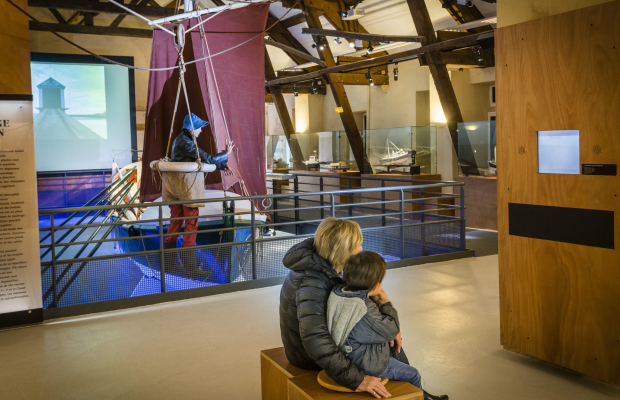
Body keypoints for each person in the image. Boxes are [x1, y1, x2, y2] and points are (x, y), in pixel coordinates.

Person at [279, 217, 392, 398]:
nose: (361, 250)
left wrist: (385, 309)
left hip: (307, 347)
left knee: (385, 335)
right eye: (357, 245)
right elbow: (315, 340)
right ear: (342, 250)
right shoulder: (312, 282)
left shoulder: (322, 265)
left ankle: (419, 394)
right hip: (307, 357)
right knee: (381, 341)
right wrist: (356, 379)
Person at [327, 251, 449, 400]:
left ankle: (424, 394)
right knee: (413, 374)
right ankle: (420, 396)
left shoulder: (341, 293)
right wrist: (386, 303)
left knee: (397, 346)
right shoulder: (363, 310)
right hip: (366, 362)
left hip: (354, 351)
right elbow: (391, 329)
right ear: (375, 285)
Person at [163, 113, 232, 279]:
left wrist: (222, 164)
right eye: (199, 127)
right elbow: (206, 158)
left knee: (174, 224)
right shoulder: (186, 142)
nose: (201, 130)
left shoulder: (180, 139)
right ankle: (191, 268)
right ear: (191, 127)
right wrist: (227, 154)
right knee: (191, 225)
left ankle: (170, 264)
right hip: (187, 188)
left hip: (175, 188)